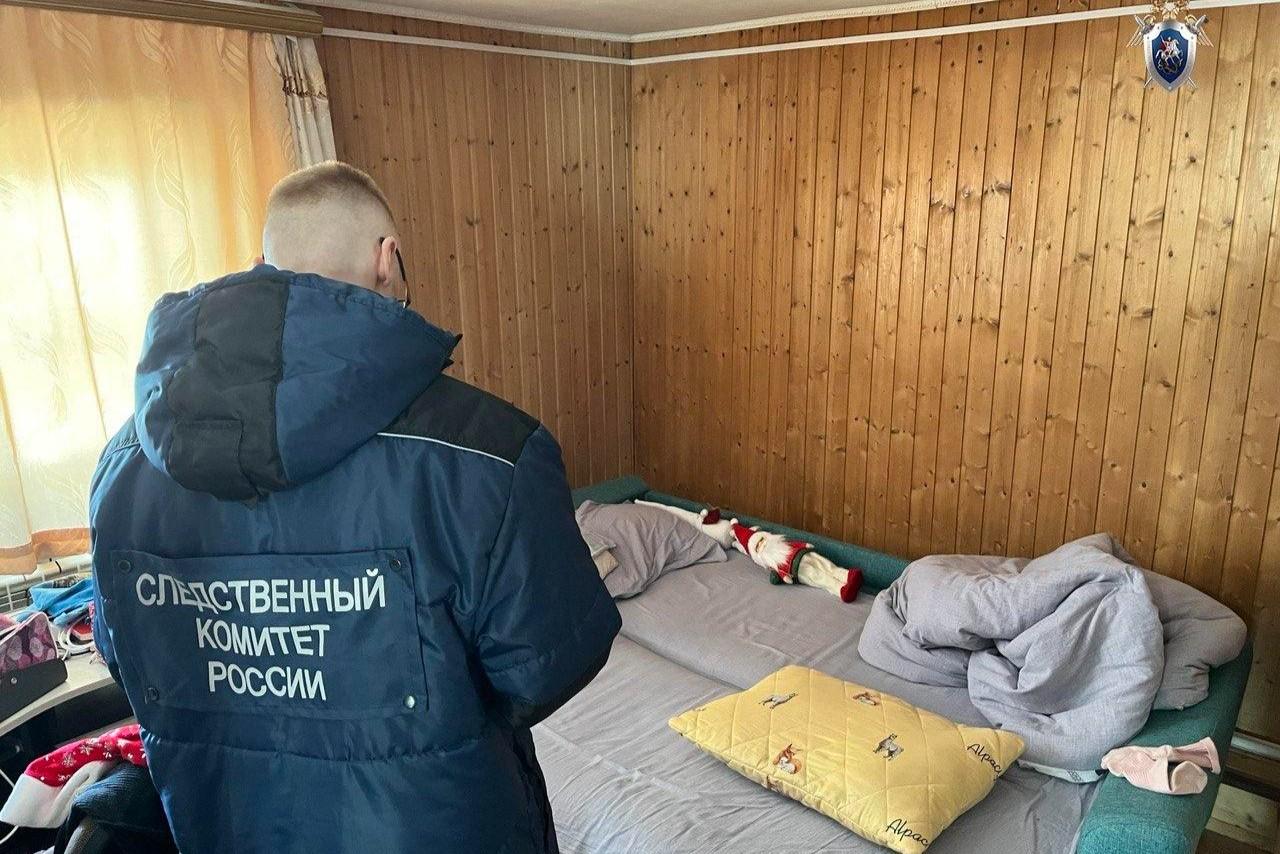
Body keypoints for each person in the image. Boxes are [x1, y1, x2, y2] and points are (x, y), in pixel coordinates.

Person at [90, 161, 620, 853]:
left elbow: (125, 653)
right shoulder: (490, 454)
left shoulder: (124, 464)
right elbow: (544, 670)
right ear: (387, 258)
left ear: (264, 267)